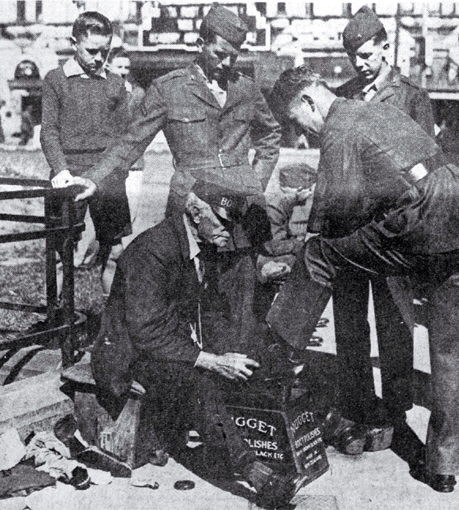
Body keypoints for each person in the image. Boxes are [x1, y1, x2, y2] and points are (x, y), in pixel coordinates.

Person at [265, 66, 459, 493]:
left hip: (427, 224)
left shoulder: (337, 129)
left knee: (320, 251)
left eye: (300, 124)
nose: (305, 136)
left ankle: (278, 347)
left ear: (308, 102)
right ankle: (444, 467)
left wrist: (303, 224)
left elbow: (331, 217)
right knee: (452, 350)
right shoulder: (370, 110)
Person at [65, 4, 282, 357]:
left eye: (234, 55)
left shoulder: (248, 90)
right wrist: (93, 178)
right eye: (220, 53)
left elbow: (271, 137)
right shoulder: (169, 89)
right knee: (189, 298)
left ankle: (238, 381)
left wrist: (254, 182)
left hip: (241, 211)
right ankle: (192, 375)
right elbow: (132, 140)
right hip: (192, 209)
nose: (227, 63)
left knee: (241, 299)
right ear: (200, 43)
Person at [92, 186, 305, 508]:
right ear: (195, 213)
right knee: (197, 381)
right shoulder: (151, 252)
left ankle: (290, 444)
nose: (230, 231)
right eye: (222, 221)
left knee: (260, 360)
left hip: (169, 345)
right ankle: (255, 473)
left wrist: (233, 349)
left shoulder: (200, 243)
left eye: (234, 224)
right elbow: (145, 332)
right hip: (130, 355)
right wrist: (210, 360)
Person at [328, 5, 437, 454]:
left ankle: (394, 409)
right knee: (350, 321)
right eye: (355, 57)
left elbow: (425, 169)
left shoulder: (412, 98)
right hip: (351, 230)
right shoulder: (345, 94)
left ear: (386, 48)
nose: (361, 64)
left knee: (395, 321)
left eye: (369, 55)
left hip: (392, 231)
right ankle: (356, 405)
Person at [41, 11, 131, 298]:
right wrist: (60, 170)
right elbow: (49, 132)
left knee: (115, 251)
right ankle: (57, 321)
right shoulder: (55, 80)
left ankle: (110, 328)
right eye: (92, 51)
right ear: (73, 43)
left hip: (106, 177)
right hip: (68, 176)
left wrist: (113, 172)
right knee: (60, 253)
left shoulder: (115, 83)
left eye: (105, 51)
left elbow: (124, 139)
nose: (99, 58)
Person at [107, 48, 146, 246]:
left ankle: (120, 260)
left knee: (130, 214)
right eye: (119, 67)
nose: (123, 71)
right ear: (108, 67)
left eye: (126, 67)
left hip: (133, 164)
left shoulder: (138, 94)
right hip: (105, 164)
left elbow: (141, 129)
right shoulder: (99, 93)